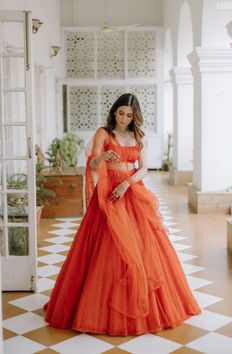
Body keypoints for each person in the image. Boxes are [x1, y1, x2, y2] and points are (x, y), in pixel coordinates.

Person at [44, 93, 201, 336]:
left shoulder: (137, 136)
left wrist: (127, 184)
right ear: (114, 111)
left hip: (131, 190)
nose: (124, 119)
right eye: (121, 113)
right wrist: (103, 157)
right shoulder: (104, 133)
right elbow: (93, 163)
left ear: (134, 116)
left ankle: (143, 304)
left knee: (143, 246)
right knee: (107, 245)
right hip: (108, 195)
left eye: (129, 115)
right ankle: (94, 307)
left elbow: (144, 168)